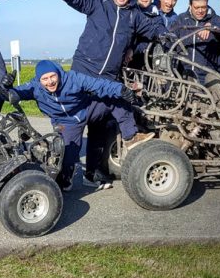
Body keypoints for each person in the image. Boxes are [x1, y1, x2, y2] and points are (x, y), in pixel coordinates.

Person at [41, 0, 159, 184]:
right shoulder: (97, 5)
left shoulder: (134, 16)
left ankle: (93, 172)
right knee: (75, 126)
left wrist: (171, 36)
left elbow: (155, 31)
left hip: (108, 77)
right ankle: (63, 177)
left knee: (102, 124)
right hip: (84, 73)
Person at [10, 60, 138, 191]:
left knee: (116, 98)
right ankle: (65, 180)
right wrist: (7, 89)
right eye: (45, 79)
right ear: (39, 80)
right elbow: (13, 94)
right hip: (66, 122)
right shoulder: (34, 87)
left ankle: (130, 137)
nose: (50, 82)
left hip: (86, 109)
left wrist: (121, 89)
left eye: (52, 76)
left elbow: (98, 84)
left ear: (58, 73)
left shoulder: (72, 78)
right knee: (66, 157)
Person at [170, 0, 220, 83]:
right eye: (196, 7)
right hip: (183, 76)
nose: (200, 11)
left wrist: (212, 26)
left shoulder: (215, 19)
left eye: (203, 7)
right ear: (190, 5)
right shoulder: (181, 19)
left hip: (206, 78)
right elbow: (170, 40)